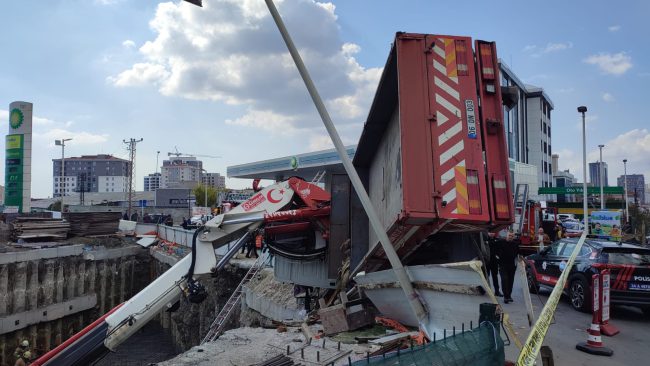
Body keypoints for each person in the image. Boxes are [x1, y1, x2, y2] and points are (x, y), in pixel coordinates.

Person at [498, 230, 518, 304]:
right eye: (509, 235)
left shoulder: (515, 244)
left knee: (510, 281)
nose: (510, 237)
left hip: (512, 265)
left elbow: (518, 253)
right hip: (502, 265)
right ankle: (505, 296)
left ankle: (509, 295)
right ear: (506, 236)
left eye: (512, 236)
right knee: (504, 279)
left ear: (513, 237)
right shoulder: (501, 242)